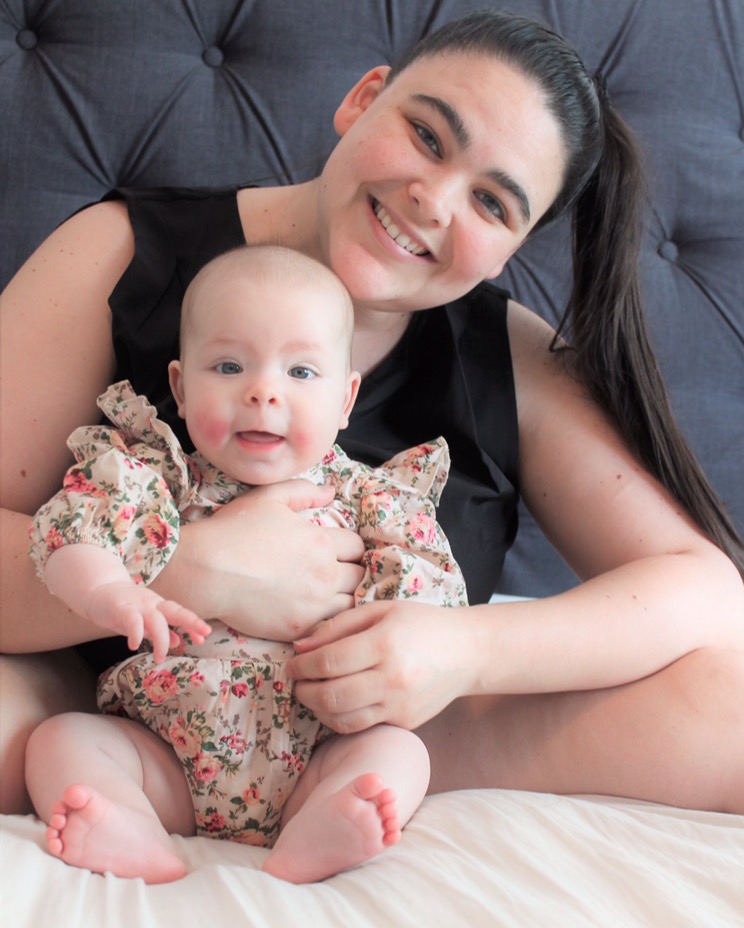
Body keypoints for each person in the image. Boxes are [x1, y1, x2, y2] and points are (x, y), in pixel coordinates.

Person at [2, 9, 743, 823]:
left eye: (493, 203)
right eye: (427, 136)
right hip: (111, 708)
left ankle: (345, 805)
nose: (433, 200)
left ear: (515, 246)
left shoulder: (511, 356)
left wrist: (463, 653)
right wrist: (191, 570)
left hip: (377, 739)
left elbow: (708, 593)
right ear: (363, 99)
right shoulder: (121, 253)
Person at [24, 244, 467, 883]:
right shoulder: (158, 479)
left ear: (346, 399)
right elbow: (70, 534)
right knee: (60, 740)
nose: (263, 392)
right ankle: (127, 822)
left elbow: (435, 608)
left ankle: (323, 824)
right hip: (165, 749)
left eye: (301, 372)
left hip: (316, 746)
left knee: (399, 753)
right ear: (181, 388)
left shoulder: (369, 500)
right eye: (230, 366)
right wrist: (108, 592)